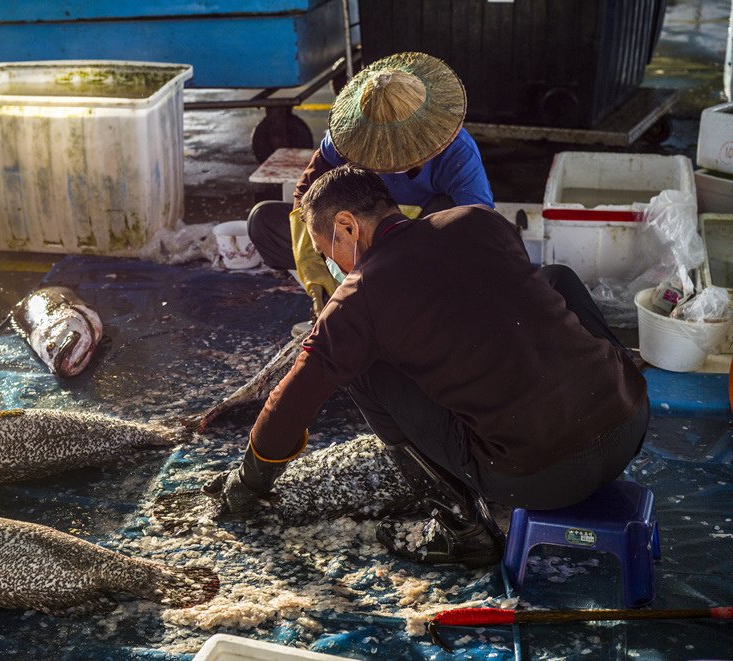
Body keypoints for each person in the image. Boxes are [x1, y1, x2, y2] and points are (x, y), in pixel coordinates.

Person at [205, 165, 649, 569]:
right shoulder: (479, 220)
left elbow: (290, 404)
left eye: (326, 251)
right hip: (629, 426)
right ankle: (612, 386)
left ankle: (464, 532)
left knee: (364, 368)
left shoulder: (357, 300)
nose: (330, 265)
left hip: (540, 478)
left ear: (347, 226)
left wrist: (247, 483)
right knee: (555, 278)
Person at [248, 52, 494, 317]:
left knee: (449, 214)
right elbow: (305, 195)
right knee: (264, 220)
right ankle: (338, 295)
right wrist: (317, 261)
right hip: (351, 238)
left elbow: (481, 226)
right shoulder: (344, 138)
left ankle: (403, 306)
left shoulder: (458, 152)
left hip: (411, 246)